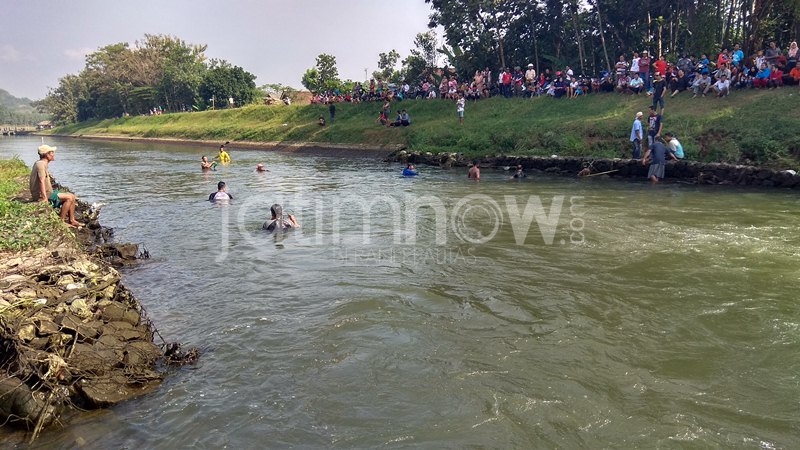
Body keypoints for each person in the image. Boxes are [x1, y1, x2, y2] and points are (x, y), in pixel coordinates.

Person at [29, 144, 81, 228]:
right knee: (69, 198)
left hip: (48, 192)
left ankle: (72, 220)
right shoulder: (41, 165)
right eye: (52, 152)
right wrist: (44, 198)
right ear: (47, 154)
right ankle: (61, 222)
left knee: (72, 196)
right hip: (43, 195)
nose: (53, 154)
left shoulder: (41, 163)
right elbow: (41, 181)